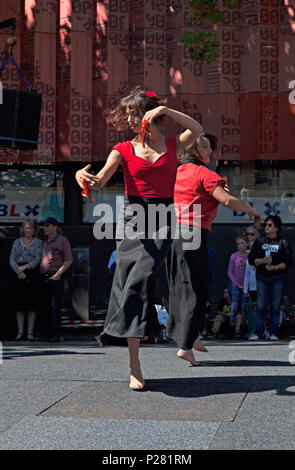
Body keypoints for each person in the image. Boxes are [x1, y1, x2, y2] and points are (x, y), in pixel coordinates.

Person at [75, 86, 204, 390]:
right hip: (134, 219)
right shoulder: (122, 149)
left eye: (136, 112)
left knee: (168, 275)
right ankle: (135, 364)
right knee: (133, 283)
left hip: (165, 217)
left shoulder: (173, 145)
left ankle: (187, 334)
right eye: (128, 114)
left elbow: (198, 130)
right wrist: (84, 177)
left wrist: (167, 111)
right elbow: (102, 177)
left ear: (151, 114)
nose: (131, 119)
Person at [166, 134, 262, 366]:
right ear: (191, 150)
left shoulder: (177, 172)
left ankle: (192, 335)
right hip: (194, 234)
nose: (211, 151)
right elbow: (226, 201)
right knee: (197, 292)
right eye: (205, 147)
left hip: (174, 233)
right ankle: (186, 346)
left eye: (211, 146)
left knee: (181, 289)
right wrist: (253, 212)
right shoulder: (205, 174)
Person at [248, 215, 293, 341]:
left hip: (278, 277)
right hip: (262, 276)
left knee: (275, 305)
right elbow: (251, 259)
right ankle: (258, 332)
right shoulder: (259, 241)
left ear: (277, 228)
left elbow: (289, 261)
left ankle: (273, 332)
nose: (267, 227)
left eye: (270, 225)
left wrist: (276, 267)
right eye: (266, 225)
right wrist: (262, 260)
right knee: (261, 305)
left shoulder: (283, 242)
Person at [39, 217, 73, 342]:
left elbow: (69, 259)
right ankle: (45, 333)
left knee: (55, 306)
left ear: (55, 227)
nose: (45, 228)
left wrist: (58, 273)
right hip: (43, 276)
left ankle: (55, 335)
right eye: (44, 226)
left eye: (48, 225)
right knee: (44, 306)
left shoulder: (62, 240)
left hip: (55, 276)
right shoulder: (43, 241)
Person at [9, 218, 42, 340]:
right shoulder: (17, 242)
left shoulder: (38, 242)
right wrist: (17, 269)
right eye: (27, 228)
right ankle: (20, 332)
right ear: (23, 229)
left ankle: (30, 332)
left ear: (34, 230)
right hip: (18, 274)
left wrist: (24, 268)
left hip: (32, 273)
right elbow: (12, 258)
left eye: (31, 228)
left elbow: (37, 259)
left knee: (31, 304)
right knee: (19, 304)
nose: (29, 230)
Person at [227, 234, 249, 338]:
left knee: (244, 307)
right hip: (236, 286)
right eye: (238, 244)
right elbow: (230, 272)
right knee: (234, 307)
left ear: (247, 244)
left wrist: (246, 285)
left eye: (242, 243)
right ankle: (231, 328)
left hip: (246, 287)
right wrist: (237, 284)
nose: (240, 246)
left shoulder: (249, 257)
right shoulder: (234, 256)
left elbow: (250, 272)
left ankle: (243, 329)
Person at [243, 226, 258, 338]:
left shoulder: (262, 252)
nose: (249, 236)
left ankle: (263, 330)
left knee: (263, 308)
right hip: (251, 287)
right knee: (251, 310)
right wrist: (245, 289)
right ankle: (252, 331)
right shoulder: (245, 255)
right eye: (247, 234)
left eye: (252, 234)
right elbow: (247, 274)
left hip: (262, 285)